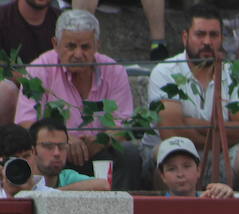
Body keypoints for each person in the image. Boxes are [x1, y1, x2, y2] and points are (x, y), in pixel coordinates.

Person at [148, 5, 239, 191]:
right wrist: (220, 135)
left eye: (214, 35)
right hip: (177, 156)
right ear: (185, 37)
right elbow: (172, 133)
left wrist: (192, 124)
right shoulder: (165, 72)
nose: (207, 42)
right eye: (200, 34)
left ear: (221, 39)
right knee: (171, 150)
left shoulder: (233, 75)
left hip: (221, 155)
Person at [13, 10, 142, 190]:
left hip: (99, 150)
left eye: (86, 47)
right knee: (40, 154)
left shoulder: (115, 71)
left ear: (97, 45)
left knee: (129, 154)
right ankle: (46, 200)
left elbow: (123, 126)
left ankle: (124, 211)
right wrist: (65, 140)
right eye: (71, 46)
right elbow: (25, 124)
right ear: (55, 44)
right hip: (56, 150)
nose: (78, 54)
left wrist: (99, 141)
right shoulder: (38, 70)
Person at [0, 0, 58, 125]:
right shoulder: (3, 17)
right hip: (15, 92)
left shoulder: (62, 21)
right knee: (5, 90)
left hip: (54, 93)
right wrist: (30, 81)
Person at [25, 116, 109, 191]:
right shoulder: (22, 178)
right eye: (49, 146)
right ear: (33, 151)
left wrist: (52, 194)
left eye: (62, 146)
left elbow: (104, 185)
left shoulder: (67, 177)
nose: (57, 153)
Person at [155, 136, 234, 198]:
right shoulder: (155, 209)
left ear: (198, 170)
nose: (180, 174)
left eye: (186, 166)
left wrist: (226, 195)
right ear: (163, 176)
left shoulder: (211, 200)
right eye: (172, 169)